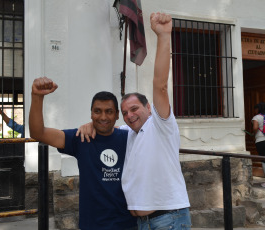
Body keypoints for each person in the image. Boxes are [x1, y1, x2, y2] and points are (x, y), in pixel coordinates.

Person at [78, 12, 191, 229]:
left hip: (169, 220)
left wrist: (163, 35)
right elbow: (106, 125)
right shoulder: (130, 133)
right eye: (125, 112)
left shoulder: (160, 124)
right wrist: (90, 124)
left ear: (149, 107)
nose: (130, 115)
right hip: (142, 223)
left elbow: (160, 85)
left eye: (134, 109)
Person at [29, 77, 137, 230]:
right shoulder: (80, 138)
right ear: (91, 114)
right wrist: (37, 97)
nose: (103, 117)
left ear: (117, 114)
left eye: (109, 112)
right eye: (97, 111)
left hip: (127, 224)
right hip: (91, 225)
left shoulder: (130, 139)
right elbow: (38, 133)